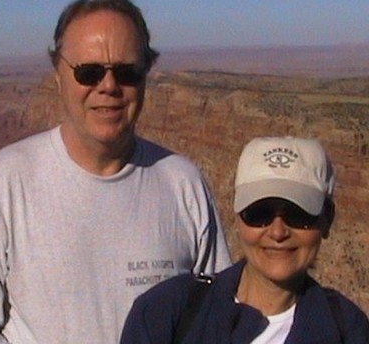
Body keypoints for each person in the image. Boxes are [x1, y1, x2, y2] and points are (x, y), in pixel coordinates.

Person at [0, 0, 231, 344]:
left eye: (126, 72)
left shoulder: (184, 184)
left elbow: (218, 315)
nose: (108, 87)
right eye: (88, 73)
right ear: (58, 76)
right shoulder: (1, 186)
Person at [121, 136, 369, 344]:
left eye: (298, 214)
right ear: (238, 217)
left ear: (327, 219)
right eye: (259, 213)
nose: (278, 232)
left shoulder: (349, 331)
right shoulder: (165, 312)